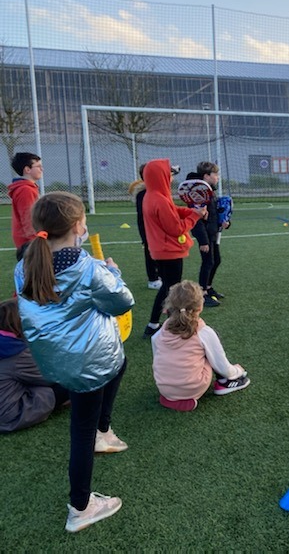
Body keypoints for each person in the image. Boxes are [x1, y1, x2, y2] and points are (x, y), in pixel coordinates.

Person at [14, 191, 135, 533]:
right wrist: (114, 272)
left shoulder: (25, 264)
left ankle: (103, 430)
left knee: (120, 363)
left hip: (58, 357)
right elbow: (122, 303)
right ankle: (80, 508)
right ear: (78, 225)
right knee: (80, 432)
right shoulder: (88, 270)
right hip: (86, 362)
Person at [151, 280, 249, 412]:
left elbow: (157, 354)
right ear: (200, 306)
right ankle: (224, 383)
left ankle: (174, 391)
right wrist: (238, 371)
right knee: (211, 347)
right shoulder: (203, 332)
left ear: (168, 307)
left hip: (164, 388)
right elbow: (221, 365)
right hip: (192, 387)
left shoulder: (161, 331)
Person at [142, 159, 205, 338]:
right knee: (171, 289)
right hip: (168, 250)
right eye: (168, 174)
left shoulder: (153, 195)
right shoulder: (159, 199)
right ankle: (155, 324)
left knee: (168, 287)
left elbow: (173, 210)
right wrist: (194, 217)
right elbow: (176, 228)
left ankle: (161, 322)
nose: (170, 177)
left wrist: (191, 212)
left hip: (161, 249)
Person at [0, 298, 70, 433]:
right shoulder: (16, 353)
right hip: (10, 415)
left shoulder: (6, 344)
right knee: (71, 383)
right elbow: (51, 377)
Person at [188, 162, 229, 307]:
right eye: (215, 174)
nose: (218, 177)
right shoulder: (199, 192)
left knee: (216, 260)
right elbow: (196, 219)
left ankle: (209, 287)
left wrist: (224, 222)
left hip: (212, 231)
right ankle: (202, 294)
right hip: (205, 234)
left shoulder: (210, 190)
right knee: (208, 262)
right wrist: (203, 240)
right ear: (206, 176)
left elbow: (212, 213)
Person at [129, 164, 161, 290]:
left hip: (155, 228)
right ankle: (153, 278)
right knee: (150, 251)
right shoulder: (143, 193)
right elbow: (144, 215)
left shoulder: (154, 191)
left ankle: (159, 274)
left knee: (158, 251)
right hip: (148, 228)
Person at [8, 152, 43, 261]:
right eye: (38, 166)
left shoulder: (29, 188)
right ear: (27, 169)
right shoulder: (25, 190)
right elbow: (28, 219)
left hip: (30, 242)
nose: (42, 169)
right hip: (29, 243)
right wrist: (38, 241)